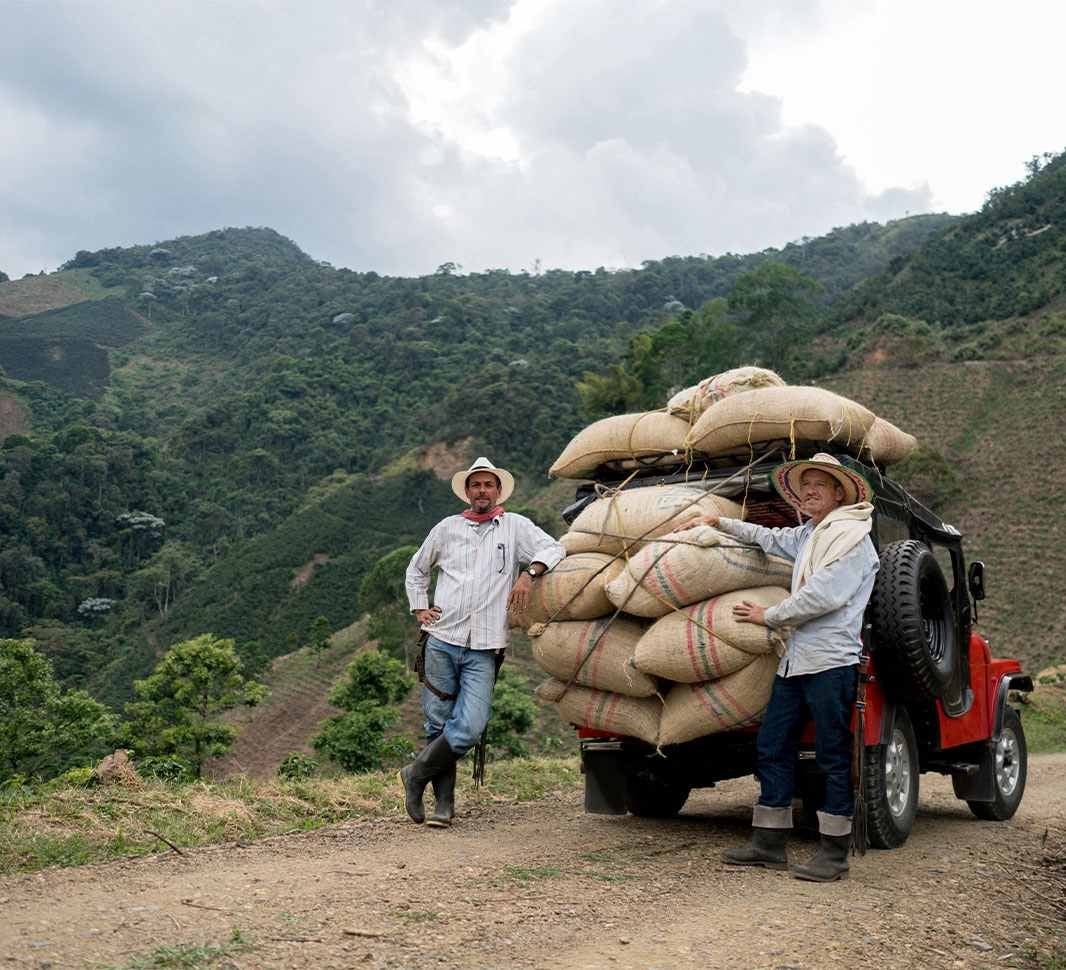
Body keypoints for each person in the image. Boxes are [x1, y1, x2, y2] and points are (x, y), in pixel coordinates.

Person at [684, 452, 878, 881]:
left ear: (838, 493)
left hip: (830, 661)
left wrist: (769, 616)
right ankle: (769, 841)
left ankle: (834, 852)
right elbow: (771, 539)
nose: (809, 491)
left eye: (819, 485)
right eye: (804, 484)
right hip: (794, 660)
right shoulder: (811, 535)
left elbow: (824, 596)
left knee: (830, 755)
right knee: (772, 745)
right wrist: (720, 524)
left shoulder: (850, 539)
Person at [402, 456, 564, 828]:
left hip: (485, 645)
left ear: (498, 490)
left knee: (471, 725)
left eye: (488, 485)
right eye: (476, 485)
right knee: (437, 724)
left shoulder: (515, 528)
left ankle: (415, 773)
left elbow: (554, 548)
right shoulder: (446, 528)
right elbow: (417, 569)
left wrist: (529, 574)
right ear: (467, 491)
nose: (482, 491)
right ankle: (444, 806)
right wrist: (419, 609)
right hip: (442, 639)